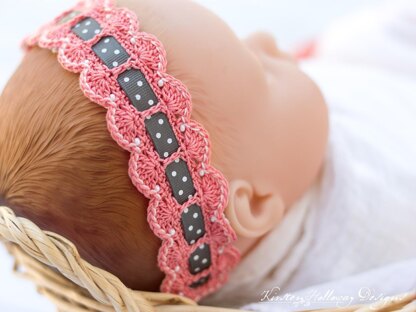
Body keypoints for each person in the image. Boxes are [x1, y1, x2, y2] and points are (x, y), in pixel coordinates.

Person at [0, 0, 414, 308]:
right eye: (262, 68)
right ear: (252, 202)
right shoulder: (363, 242)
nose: (268, 39)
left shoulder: (281, 146)